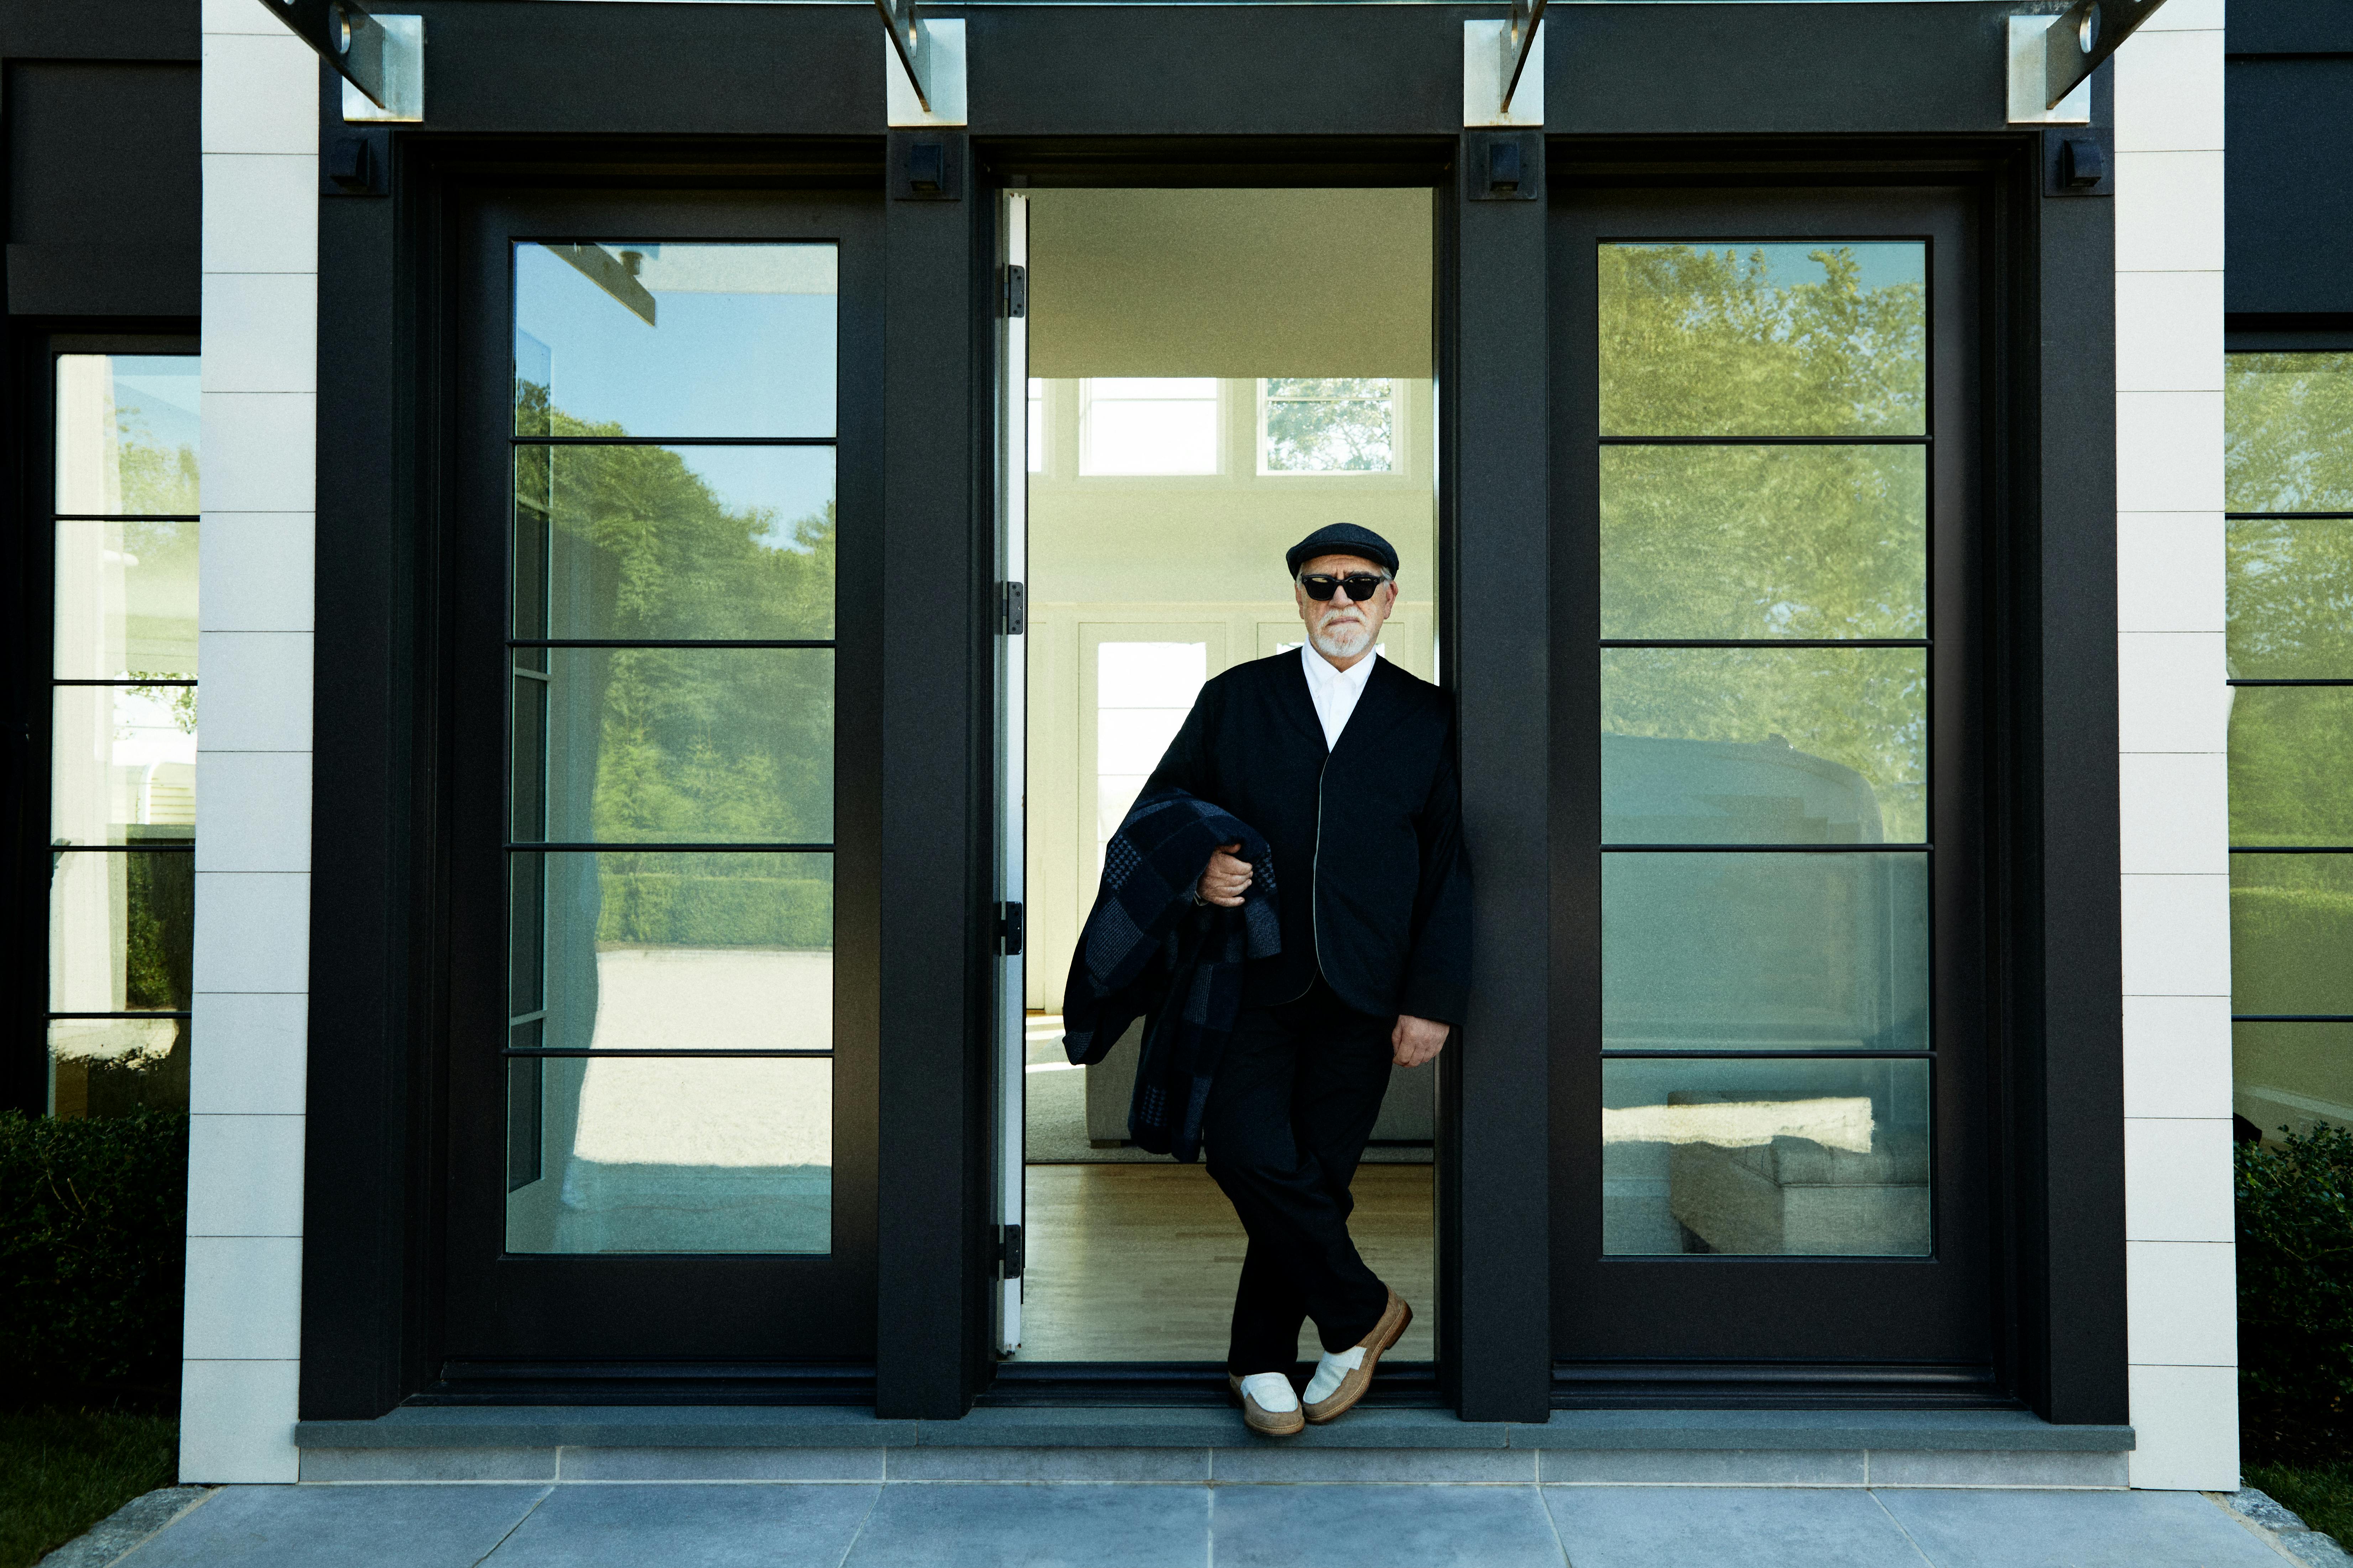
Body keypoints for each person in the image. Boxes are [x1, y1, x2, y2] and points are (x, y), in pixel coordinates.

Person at [1140, 521, 1471, 1436]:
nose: (1340, 601)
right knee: (1246, 1151)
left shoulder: (1431, 716)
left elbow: (1449, 865)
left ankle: (1257, 1362)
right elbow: (1162, 808)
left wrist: (1432, 1000)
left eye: (1360, 586)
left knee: (1317, 1180)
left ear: (1389, 601)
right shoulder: (1235, 701)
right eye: (1321, 585)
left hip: (1369, 991)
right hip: (1249, 978)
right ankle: (1363, 1311)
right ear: (1297, 597)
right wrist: (1202, 867)